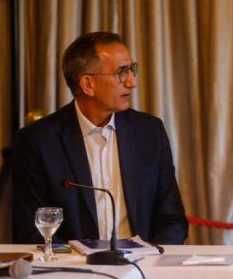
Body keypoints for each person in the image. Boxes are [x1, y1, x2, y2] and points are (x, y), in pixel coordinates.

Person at [12, 32, 188, 245]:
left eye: (131, 69)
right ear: (88, 84)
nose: (132, 82)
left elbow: (173, 220)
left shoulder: (149, 132)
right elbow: (32, 229)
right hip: (74, 273)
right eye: (121, 72)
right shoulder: (38, 140)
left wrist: (149, 261)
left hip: (143, 268)